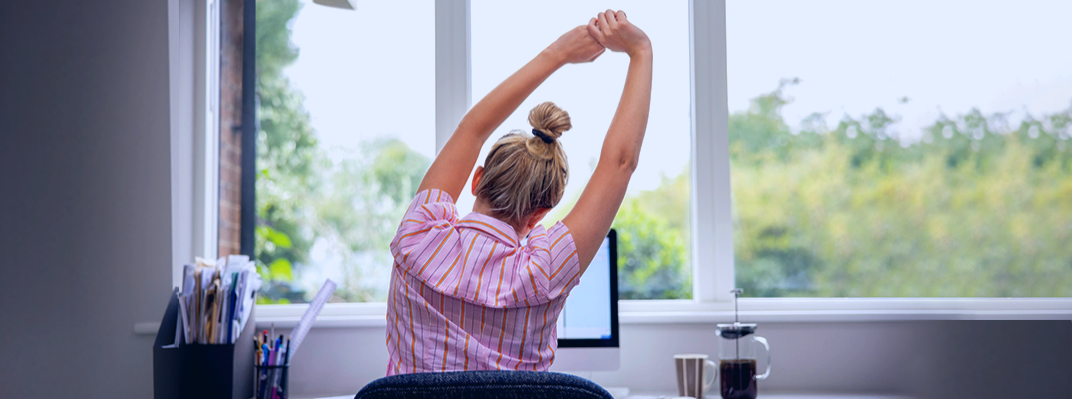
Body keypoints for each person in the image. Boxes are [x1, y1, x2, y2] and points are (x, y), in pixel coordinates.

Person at [386, 10, 652, 375]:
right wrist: (641, 51)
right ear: (541, 212)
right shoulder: (544, 270)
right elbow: (620, 164)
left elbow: (472, 131)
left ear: (476, 179)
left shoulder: (419, 234)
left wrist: (557, 54)